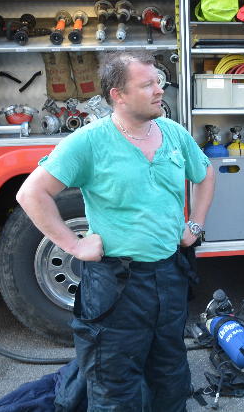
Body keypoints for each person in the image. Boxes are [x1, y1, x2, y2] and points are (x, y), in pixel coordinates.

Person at [16, 51, 215, 411]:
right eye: (147, 84)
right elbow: (31, 193)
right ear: (117, 95)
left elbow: (204, 174)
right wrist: (73, 245)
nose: (159, 90)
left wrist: (195, 225)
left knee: (170, 376)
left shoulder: (173, 133)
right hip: (117, 285)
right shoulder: (90, 141)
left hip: (170, 275)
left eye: (159, 82)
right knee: (114, 386)